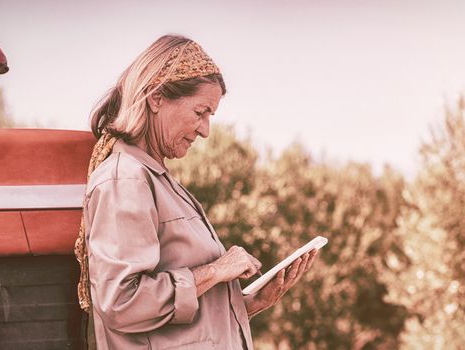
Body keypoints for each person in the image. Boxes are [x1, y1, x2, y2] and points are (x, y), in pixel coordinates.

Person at [73, 34, 316, 349]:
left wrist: (254, 301)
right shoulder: (125, 180)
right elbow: (122, 303)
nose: (205, 130)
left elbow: (178, 321)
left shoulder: (160, 182)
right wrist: (215, 271)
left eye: (210, 116)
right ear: (156, 97)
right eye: (200, 112)